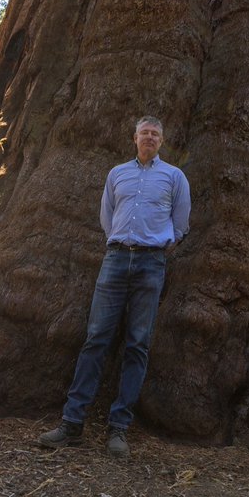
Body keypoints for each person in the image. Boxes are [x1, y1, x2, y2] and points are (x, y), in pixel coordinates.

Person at [38, 115, 191, 459]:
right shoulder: (117, 174)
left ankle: (118, 428)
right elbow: (106, 216)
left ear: (161, 141)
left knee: (138, 344)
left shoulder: (174, 177)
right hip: (116, 259)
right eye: (144, 133)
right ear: (134, 137)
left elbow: (180, 224)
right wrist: (118, 243)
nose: (149, 137)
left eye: (155, 133)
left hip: (152, 264)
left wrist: (158, 247)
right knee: (96, 339)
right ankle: (72, 423)